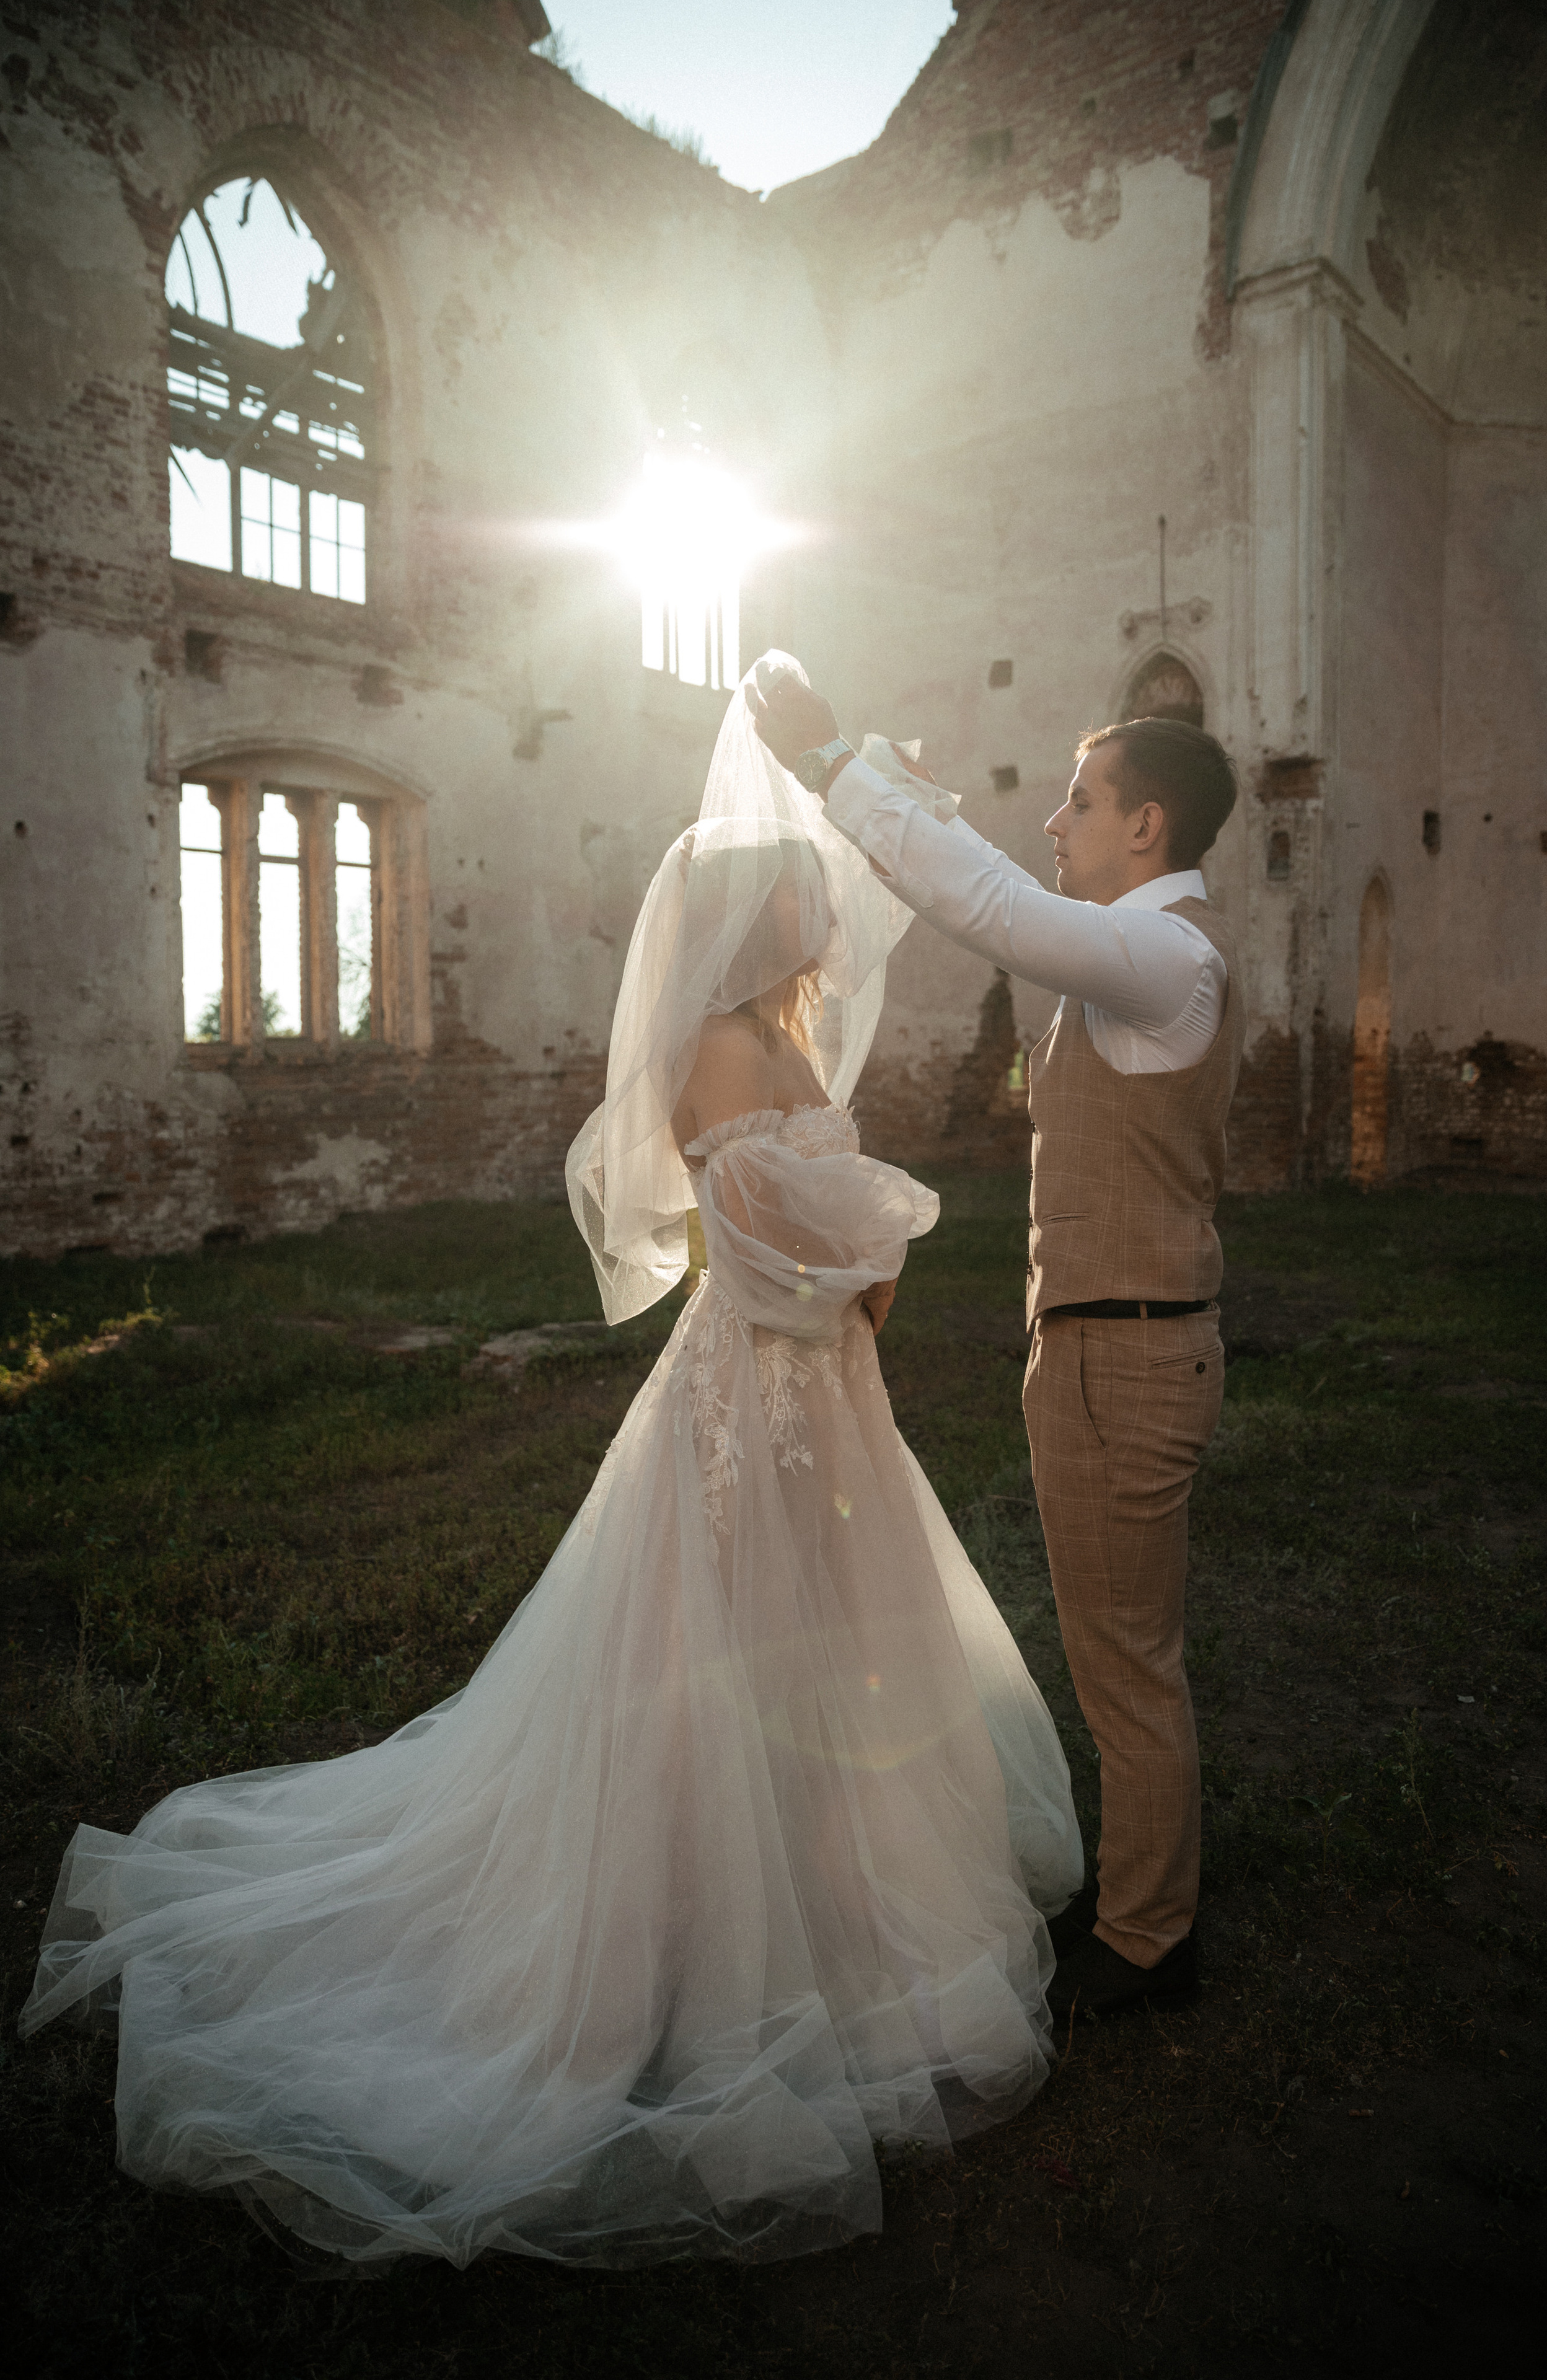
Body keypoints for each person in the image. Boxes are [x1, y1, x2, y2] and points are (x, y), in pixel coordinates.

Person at [20, 654, 1082, 2270]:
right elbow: (760, 1249)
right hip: (759, 1402)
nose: (824, 917)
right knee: (721, 1658)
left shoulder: (781, 1047)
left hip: (827, 1405)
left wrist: (868, 1253)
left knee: (829, 1659)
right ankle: (695, 1950)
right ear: (747, 923)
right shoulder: (724, 1060)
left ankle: (834, 1912)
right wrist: (872, 1258)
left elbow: (821, 1225)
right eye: (802, 894)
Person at [752, 673, 1243, 2020]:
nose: (1054, 824)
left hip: (1125, 1362)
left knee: (1127, 1665)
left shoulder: (1167, 956)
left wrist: (832, 758)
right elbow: (1003, 890)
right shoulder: (1137, 950)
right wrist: (877, 782)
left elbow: (989, 907)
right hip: (1107, 1349)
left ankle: (1148, 1941)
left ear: (1144, 826)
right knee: (1117, 1653)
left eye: (1078, 803)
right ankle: (1144, 1893)